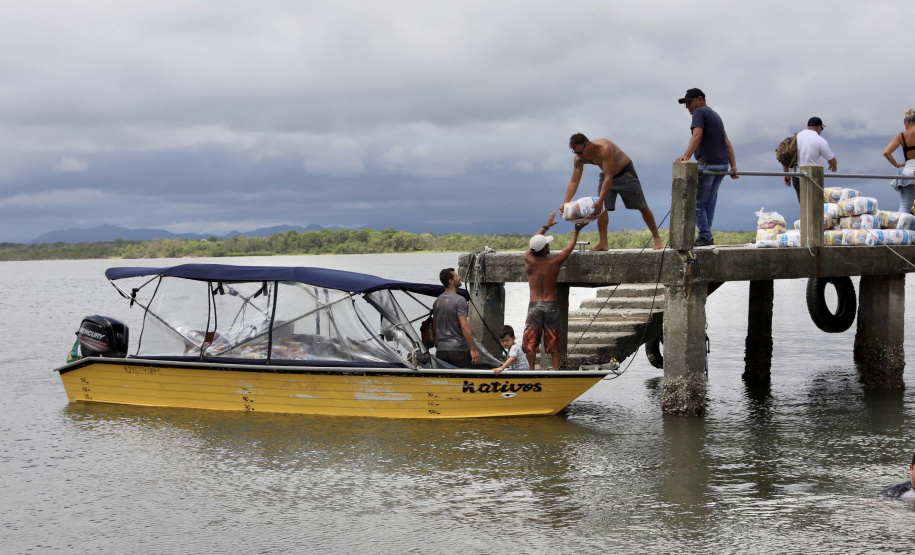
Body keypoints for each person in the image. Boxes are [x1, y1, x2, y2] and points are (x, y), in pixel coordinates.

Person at [561, 133, 664, 251]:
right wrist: (565, 203)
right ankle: (603, 243)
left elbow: (609, 176)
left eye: (580, 152)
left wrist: (600, 200)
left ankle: (657, 238)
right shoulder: (579, 159)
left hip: (625, 174)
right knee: (600, 209)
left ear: (587, 145)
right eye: (575, 153)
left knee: (642, 207)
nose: (578, 156)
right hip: (606, 176)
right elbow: (574, 181)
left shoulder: (604, 148)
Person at [674, 88, 739, 247]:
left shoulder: (700, 113)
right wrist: (733, 165)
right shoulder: (716, 116)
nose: (687, 106)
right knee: (709, 203)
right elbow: (727, 143)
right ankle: (707, 235)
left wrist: (686, 157)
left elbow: (697, 135)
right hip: (722, 166)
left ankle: (705, 236)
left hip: (709, 166)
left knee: (697, 203)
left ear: (700, 99)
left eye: (689, 102)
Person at [523, 212, 588, 370]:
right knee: (554, 341)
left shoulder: (529, 260)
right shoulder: (554, 262)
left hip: (534, 305)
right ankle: (556, 371)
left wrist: (545, 226)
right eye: (547, 245)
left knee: (531, 341)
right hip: (551, 305)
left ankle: (531, 371)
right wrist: (576, 231)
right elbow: (569, 248)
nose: (549, 246)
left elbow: (531, 246)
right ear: (545, 249)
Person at [432, 268, 480, 367]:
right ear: (451, 281)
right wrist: (473, 349)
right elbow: (464, 325)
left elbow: (434, 326)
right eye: (457, 276)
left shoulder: (437, 302)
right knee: (465, 380)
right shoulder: (460, 300)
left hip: (441, 350)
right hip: (458, 350)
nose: (460, 277)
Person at [782, 117, 838, 201]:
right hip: (812, 177)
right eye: (821, 128)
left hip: (796, 176)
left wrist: (786, 174)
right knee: (814, 205)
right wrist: (833, 165)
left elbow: (785, 156)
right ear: (819, 127)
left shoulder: (795, 138)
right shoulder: (819, 140)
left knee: (803, 205)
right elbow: (831, 159)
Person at [882, 108, 915, 213]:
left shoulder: (901, 136)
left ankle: (901, 229)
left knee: (905, 206)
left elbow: (886, 152)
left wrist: (897, 164)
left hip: (908, 173)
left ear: (906, 123)